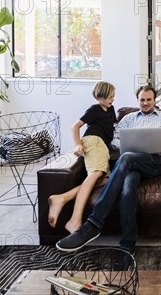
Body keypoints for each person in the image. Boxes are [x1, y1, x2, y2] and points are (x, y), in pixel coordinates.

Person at [55, 85, 161, 253]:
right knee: (128, 186)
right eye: (142, 100)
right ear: (137, 100)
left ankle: (94, 223)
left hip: (154, 162)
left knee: (126, 158)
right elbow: (114, 139)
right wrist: (127, 145)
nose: (145, 103)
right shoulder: (128, 118)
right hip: (132, 162)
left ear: (154, 100)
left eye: (149, 100)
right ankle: (127, 245)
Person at [48, 81, 117, 234]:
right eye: (110, 97)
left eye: (113, 96)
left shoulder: (111, 110)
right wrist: (78, 144)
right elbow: (75, 126)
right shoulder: (95, 109)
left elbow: (114, 129)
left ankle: (62, 198)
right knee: (96, 174)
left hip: (103, 147)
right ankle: (74, 220)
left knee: (103, 180)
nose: (113, 99)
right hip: (93, 141)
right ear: (99, 97)